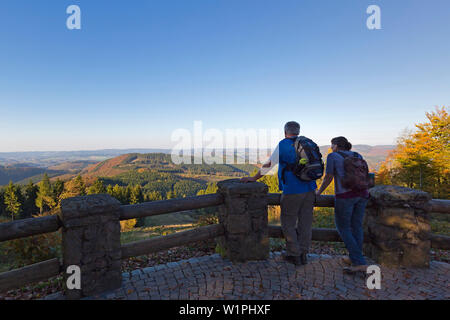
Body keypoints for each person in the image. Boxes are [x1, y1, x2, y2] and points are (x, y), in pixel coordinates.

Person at [241, 121, 317, 266]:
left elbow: (269, 165)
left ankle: (294, 254)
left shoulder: (283, 145)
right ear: (298, 131)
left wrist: (253, 178)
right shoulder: (307, 143)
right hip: (310, 188)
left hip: (292, 189)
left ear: (285, 132)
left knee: (288, 222)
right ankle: (304, 254)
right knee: (305, 223)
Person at [316, 137, 369, 272]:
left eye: (332, 145)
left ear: (336, 146)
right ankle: (355, 257)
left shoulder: (333, 156)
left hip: (345, 196)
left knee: (343, 228)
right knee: (356, 226)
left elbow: (328, 176)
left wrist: (319, 192)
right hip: (363, 194)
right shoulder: (358, 155)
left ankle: (359, 261)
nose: (331, 147)